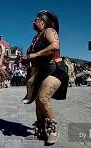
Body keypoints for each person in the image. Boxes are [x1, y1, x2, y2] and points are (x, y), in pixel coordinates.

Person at [24, 10, 69, 145]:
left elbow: (55, 46)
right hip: (42, 71)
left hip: (56, 69)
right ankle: (40, 132)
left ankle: (53, 130)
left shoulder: (49, 30)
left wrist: (36, 54)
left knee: (43, 98)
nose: (33, 22)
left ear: (42, 22)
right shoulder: (35, 38)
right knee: (38, 101)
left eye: (36, 19)